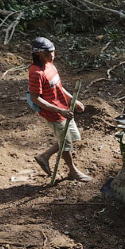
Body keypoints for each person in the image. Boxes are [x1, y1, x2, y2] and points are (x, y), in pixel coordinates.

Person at [28, 37, 91, 182]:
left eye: (53, 52)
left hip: (63, 109)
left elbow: (58, 86)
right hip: (54, 114)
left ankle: (44, 156)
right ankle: (73, 171)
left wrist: (72, 100)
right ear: (38, 54)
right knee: (66, 144)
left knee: (71, 138)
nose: (52, 56)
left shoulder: (50, 65)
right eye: (47, 54)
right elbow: (35, 98)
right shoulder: (36, 73)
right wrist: (58, 110)